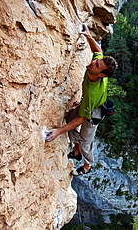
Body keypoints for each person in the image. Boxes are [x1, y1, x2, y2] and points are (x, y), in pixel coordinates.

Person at [45, 24, 118, 176]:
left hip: (94, 113)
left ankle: (87, 165)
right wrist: (88, 35)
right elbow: (98, 51)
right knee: (69, 117)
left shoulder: (92, 93)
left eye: (96, 65)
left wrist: (58, 131)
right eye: (96, 62)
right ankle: (76, 152)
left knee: (86, 141)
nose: (92, 63)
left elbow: (81, 119)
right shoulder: (98, 66)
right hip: (88, 104)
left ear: (101, 75)